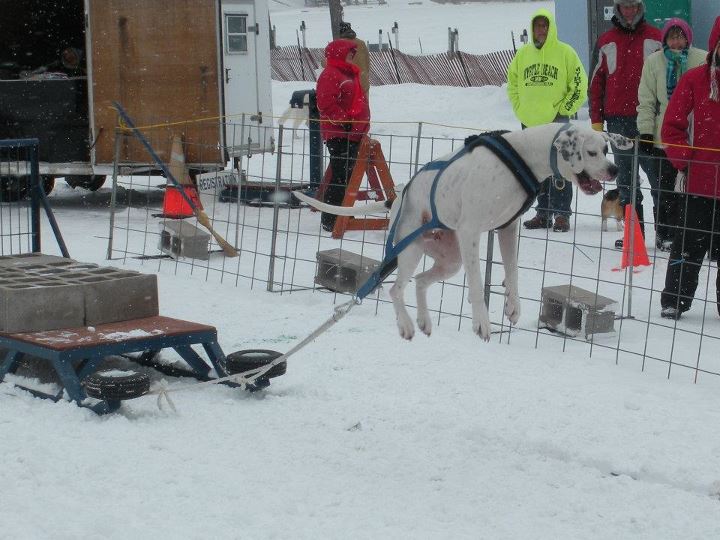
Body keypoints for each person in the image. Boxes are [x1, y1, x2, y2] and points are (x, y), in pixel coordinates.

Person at [659, 17, 720, 320]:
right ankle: (675, 300)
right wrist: (685, 161)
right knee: (687, 246)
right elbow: (671, 127)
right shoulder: (695, 81)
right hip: (698, 184)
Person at [507, 8, 587, 233]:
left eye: (544, 25)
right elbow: (512, 82)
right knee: (537, 169)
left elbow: (579, 84)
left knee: (560, 167)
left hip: (557, 120)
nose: (540, 30)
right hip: (530, 123)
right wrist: (520, 108)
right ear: (532, 28)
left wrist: (565, 109)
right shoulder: (523, 54)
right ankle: (542, 213)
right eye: (537, 26)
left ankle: (562, 214)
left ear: (551, 28)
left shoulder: (565, 52)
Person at [589, 0, 662, 248]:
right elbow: (595, 84)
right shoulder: (605, 41)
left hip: (650, 120)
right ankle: (635, 234)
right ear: (618, 10)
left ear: (640, 8)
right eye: (624, 7)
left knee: (659, 179)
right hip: (618, 122)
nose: (629, 11)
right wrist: (597, 123)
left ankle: (665, 234)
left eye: (633, 6)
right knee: (627, 183)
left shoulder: (656, 37)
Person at [637, 18, 706, 252]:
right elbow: (646, 101)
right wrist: (646, 131)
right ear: (665, 39)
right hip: (664, 138)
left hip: (696, 136)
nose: (676, 42)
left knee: (695, 191)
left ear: (688, 37)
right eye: (671, 37)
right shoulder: (653, 62)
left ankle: (694, 236)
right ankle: (665, 234)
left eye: (680, 36)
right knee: (664, 189)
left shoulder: (702, 59)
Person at [315, 39, 370, 231]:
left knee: (347, 176)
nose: (352, 56)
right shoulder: (330, 75)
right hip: (341, 134)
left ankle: (343, 213)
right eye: (349, 53)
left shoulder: (348, 73)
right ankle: (331, 219)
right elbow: (326, 104)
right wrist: (345, 121)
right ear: (339, 53)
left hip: (352, 132)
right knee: (341, 176)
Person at [338, 22, 370, 101]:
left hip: (347, 83)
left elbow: (331, 62)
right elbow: (367, 62)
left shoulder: (339, 44)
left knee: (349, 109)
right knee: (364, 108)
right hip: (363, 82)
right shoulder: (361, 43)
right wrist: (364, 75)